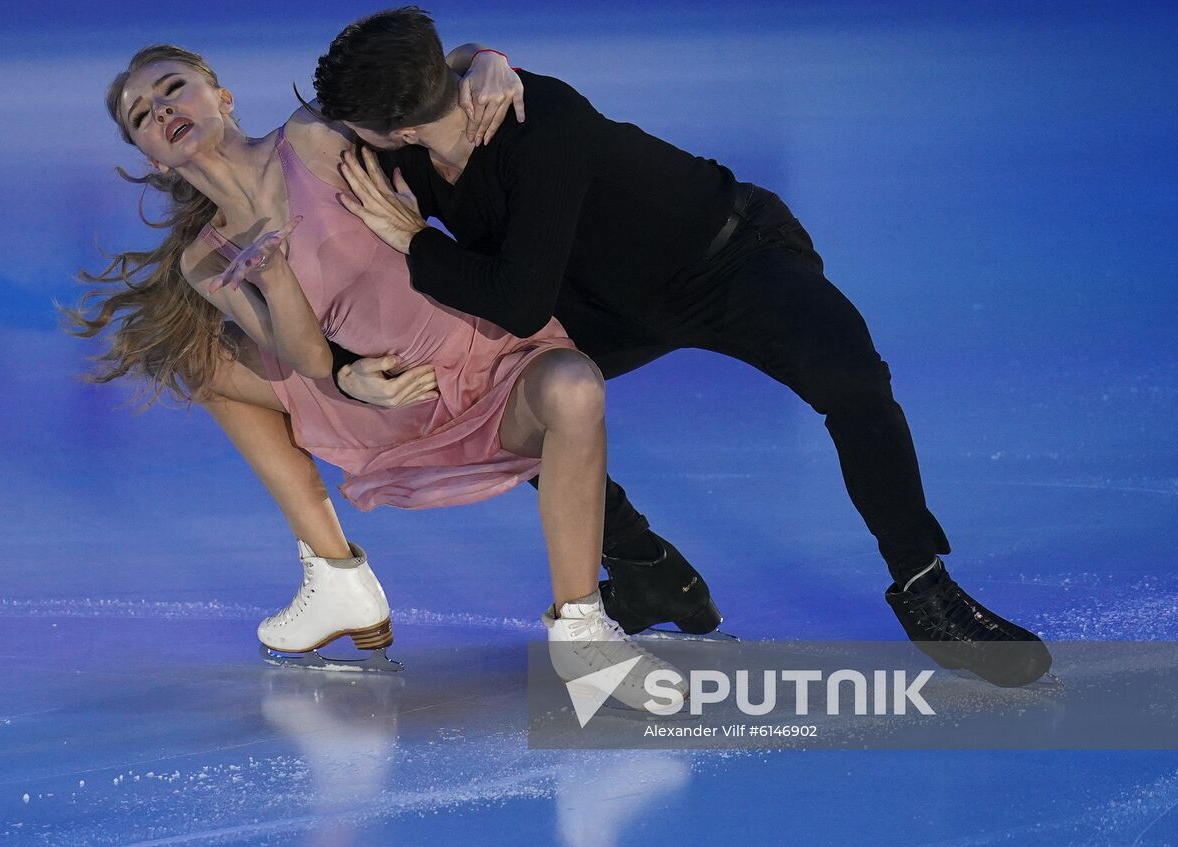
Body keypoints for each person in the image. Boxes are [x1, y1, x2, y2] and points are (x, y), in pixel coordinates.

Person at [314, 7, 1052, 687]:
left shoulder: (543, 119)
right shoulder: (402, 154)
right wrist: (347, 370)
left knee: (851, 377)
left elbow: (516, 299)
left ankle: (925, 584)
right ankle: (644, 569)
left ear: (396, 127)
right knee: (503, 397)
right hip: (603, 304)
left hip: (725, 258)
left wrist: (415, 237)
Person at [63, 43, 689, 707]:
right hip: (397, 400)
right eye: (142, 115)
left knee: (575, 384)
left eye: (172, 88)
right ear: (153, 156)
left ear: (222, 98)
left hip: (496, 365)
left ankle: (582, 632)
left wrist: (487, 60)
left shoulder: (311, 134)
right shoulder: (206, 258)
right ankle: (335, 576)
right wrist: (283, 289)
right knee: (198, 362)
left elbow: (408, 81)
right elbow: (304, 355)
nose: (162, 110)